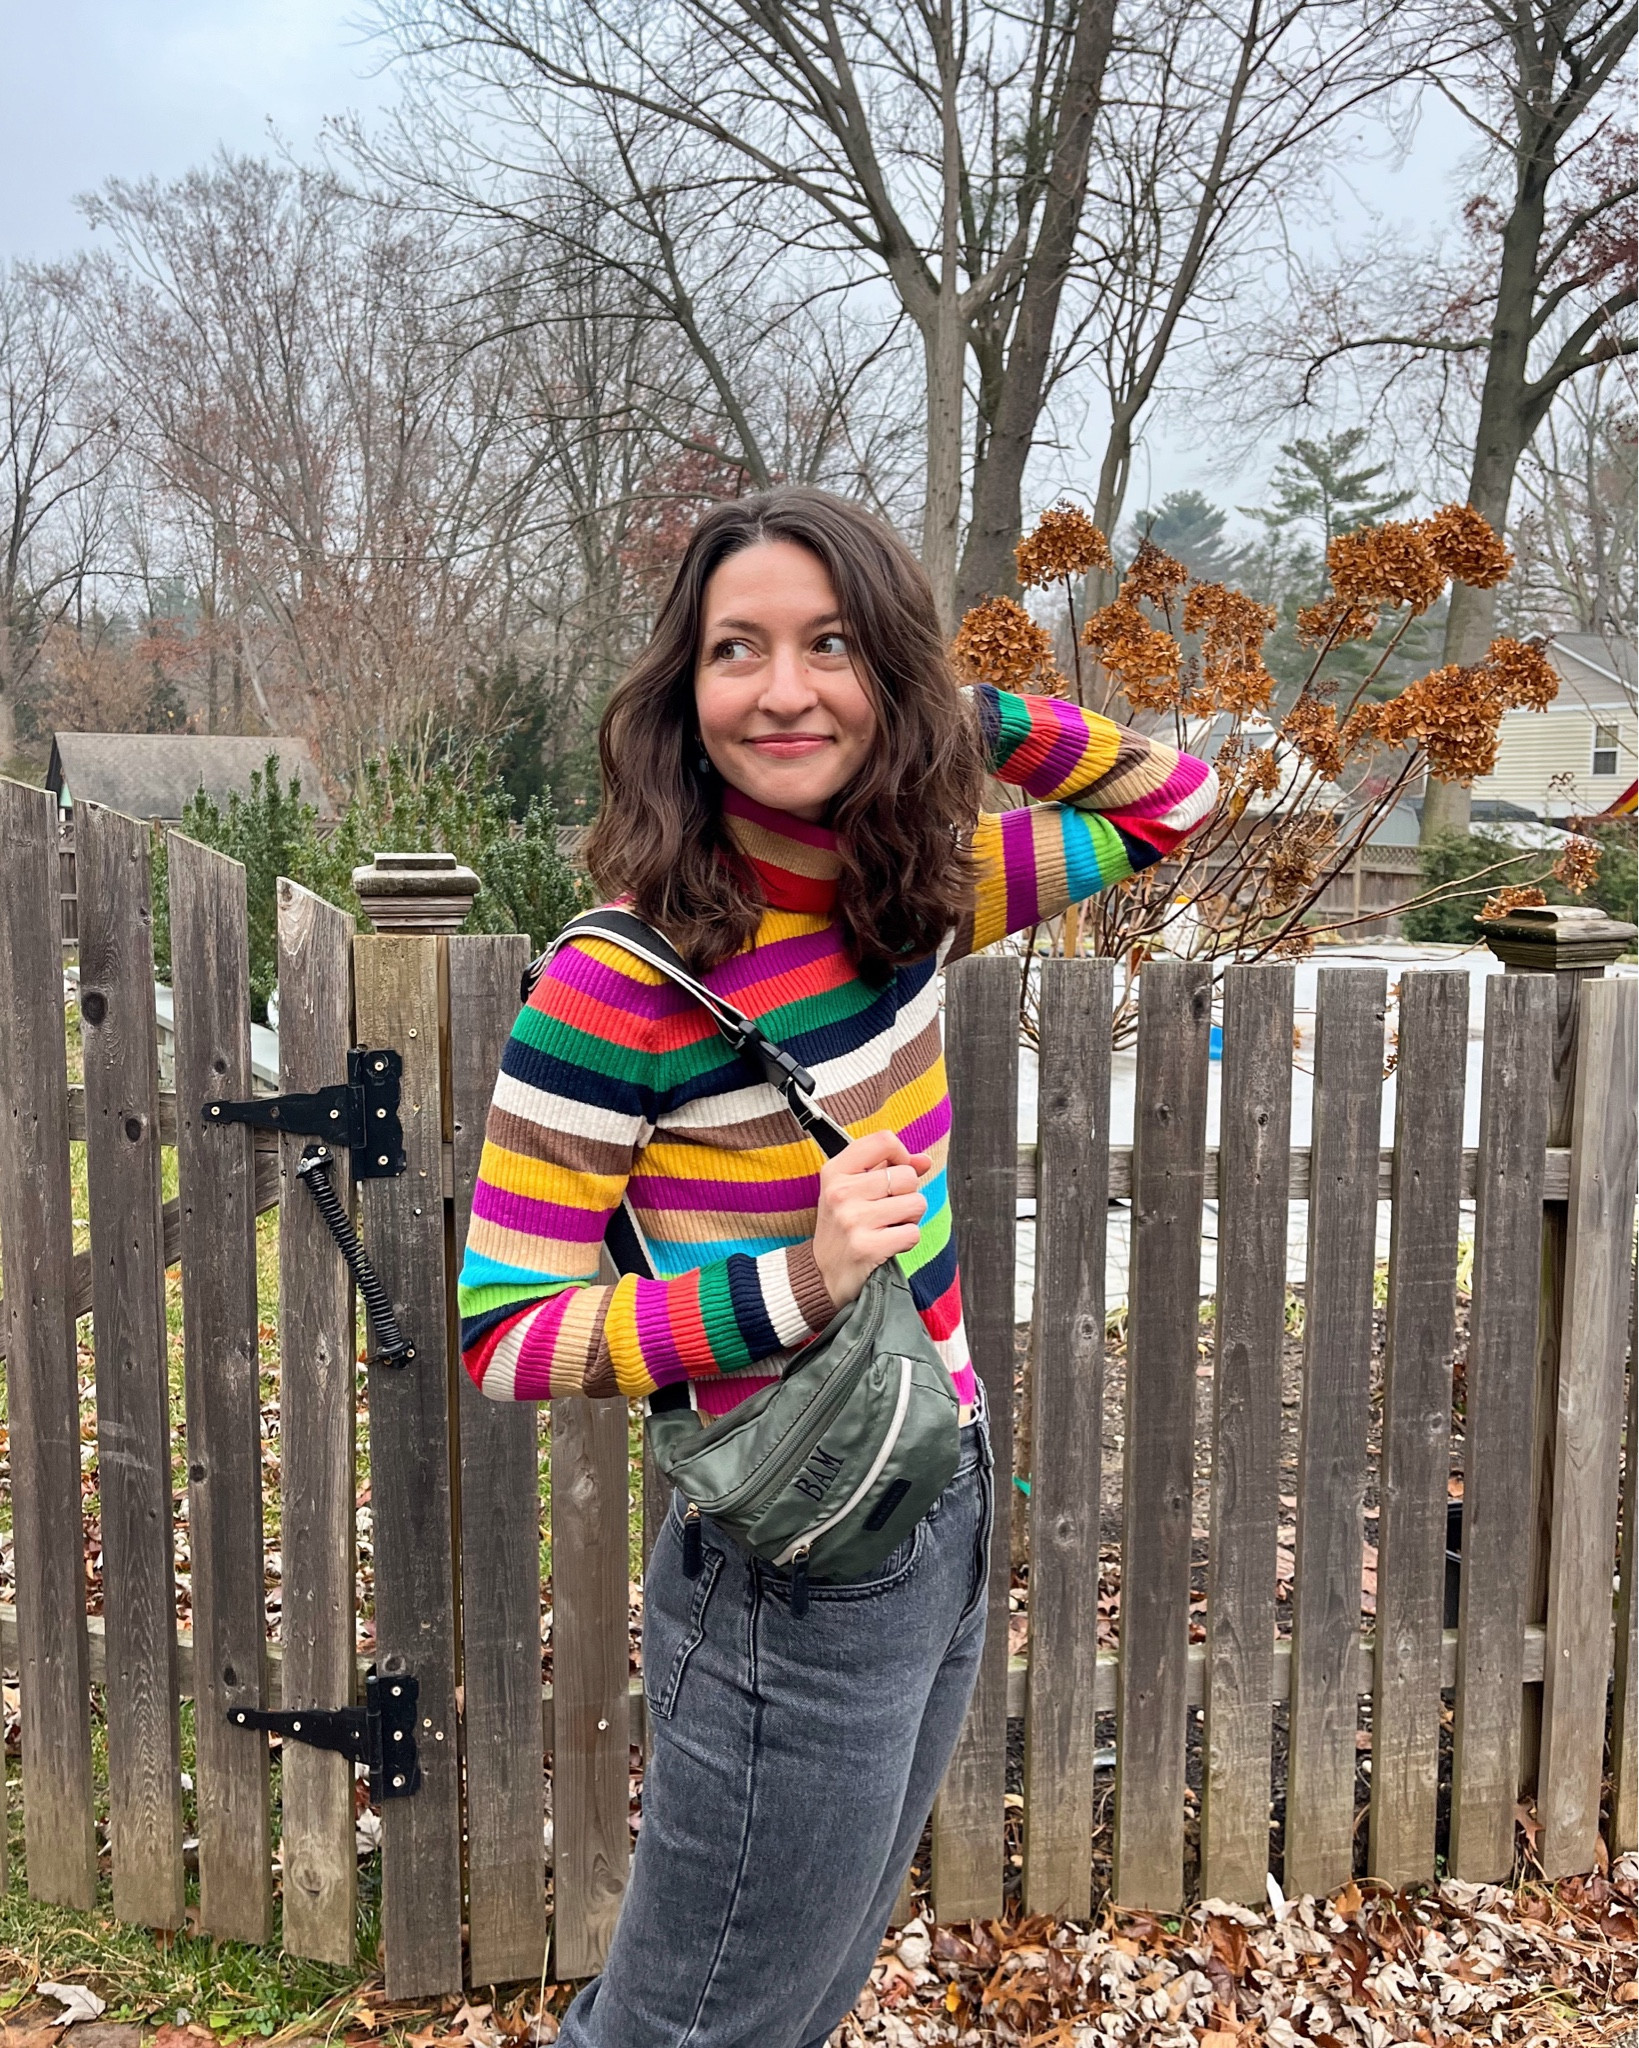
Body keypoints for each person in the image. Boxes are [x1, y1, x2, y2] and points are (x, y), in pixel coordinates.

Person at [457, 487, 1217, 2047]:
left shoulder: (908, 902)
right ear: (684, 692)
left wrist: (943, 694)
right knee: (692, 2026)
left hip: (940, 1490)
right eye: (737, 650)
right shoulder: (618, 986)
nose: (783, 688)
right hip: (792, 1556)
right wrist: (795, 1286)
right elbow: (506, 1335)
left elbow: (1176, 800)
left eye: (832, 646)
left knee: (796, 1991)